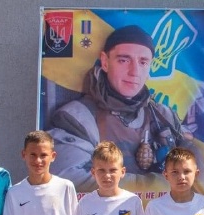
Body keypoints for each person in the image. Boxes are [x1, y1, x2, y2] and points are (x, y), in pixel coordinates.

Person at [47, 24, 193, 192]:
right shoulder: (77, 118)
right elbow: (69, 178)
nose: (134, 72)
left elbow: (200, 168)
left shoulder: (164, 116)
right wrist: (162, 186)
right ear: (105, 62)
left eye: (143, 62)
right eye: (124, 60)